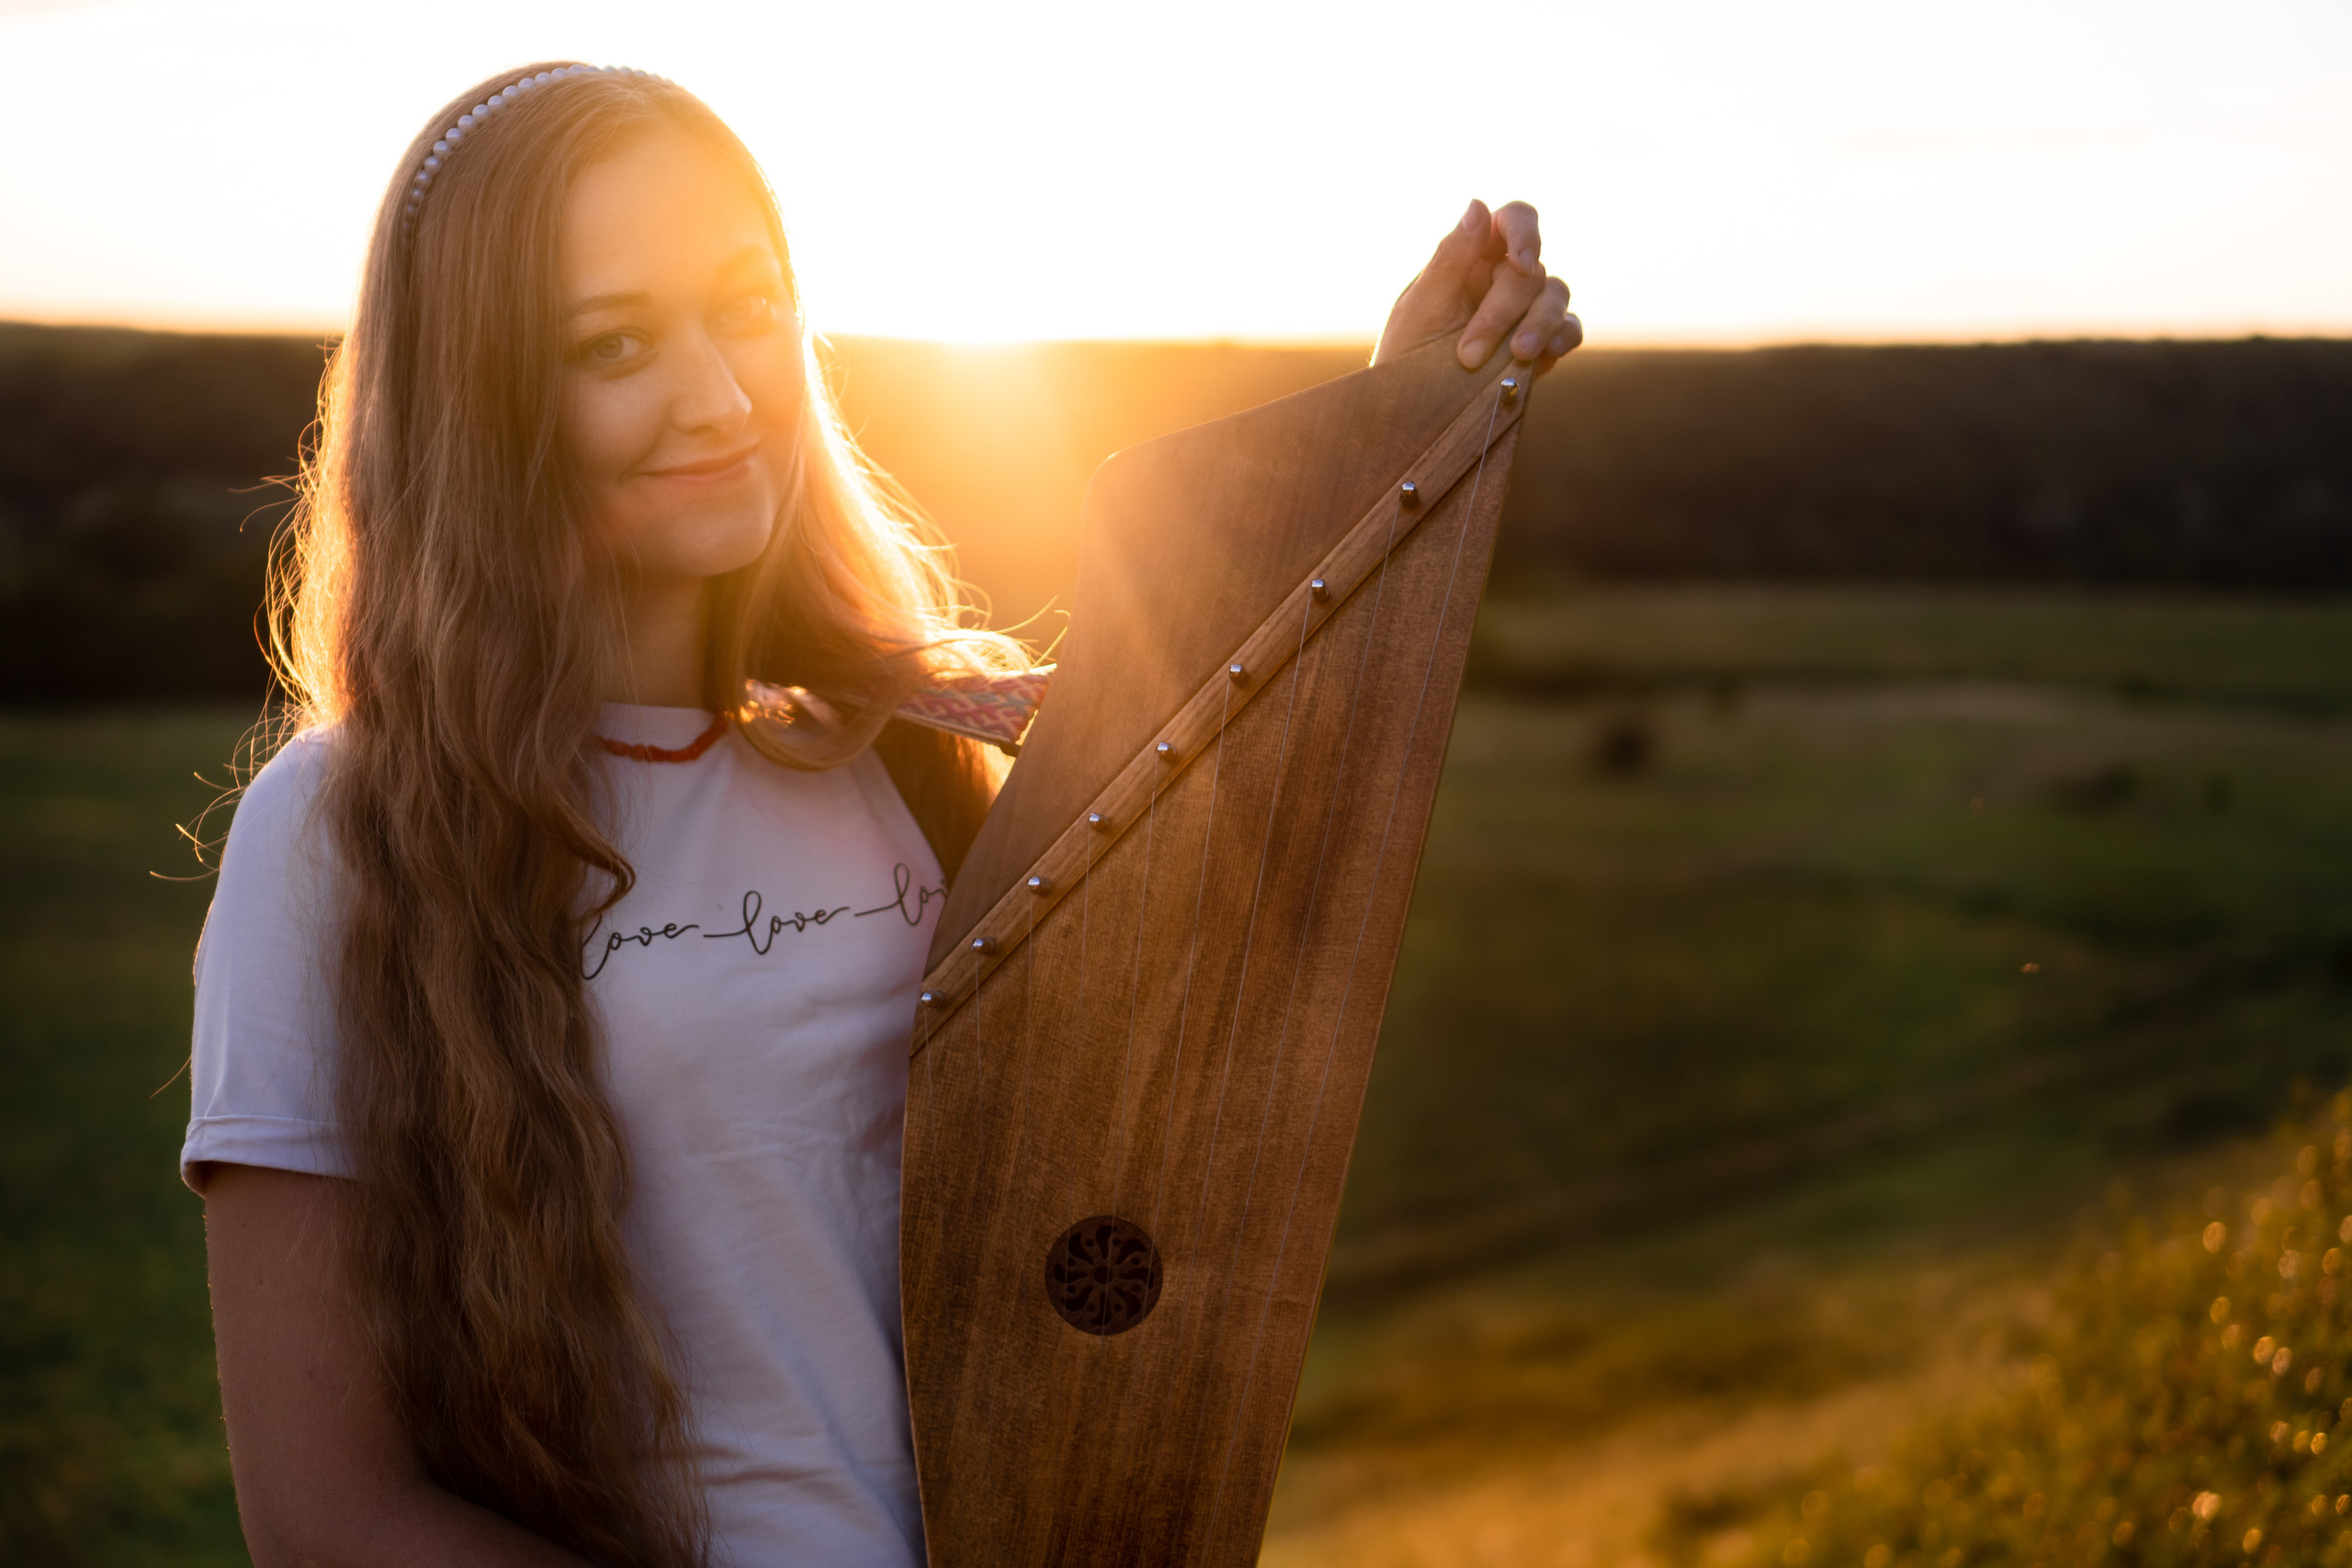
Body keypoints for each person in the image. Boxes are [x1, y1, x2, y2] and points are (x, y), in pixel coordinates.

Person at [186, 61, 1580, 1568]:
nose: (720, 397)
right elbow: (327, 1519)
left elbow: (1209, 1032)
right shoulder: (343, 832)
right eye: (614, 345)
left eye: (748, 303)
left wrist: (1403, 417)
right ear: (484, 397)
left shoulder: (915, 749)